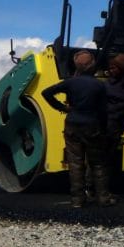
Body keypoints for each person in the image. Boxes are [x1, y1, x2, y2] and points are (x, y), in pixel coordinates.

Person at [41, 50, 112, 207]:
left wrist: (62, 108)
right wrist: (104, 128)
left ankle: (77, 200)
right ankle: (103, 198)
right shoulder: (99, 85)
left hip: (72, 124)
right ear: (92, 64)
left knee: (75, 164)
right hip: (92, 125)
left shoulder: (70, 83)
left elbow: (46, 93)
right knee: (98, 163)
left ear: (77, 66)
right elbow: (103, 111)